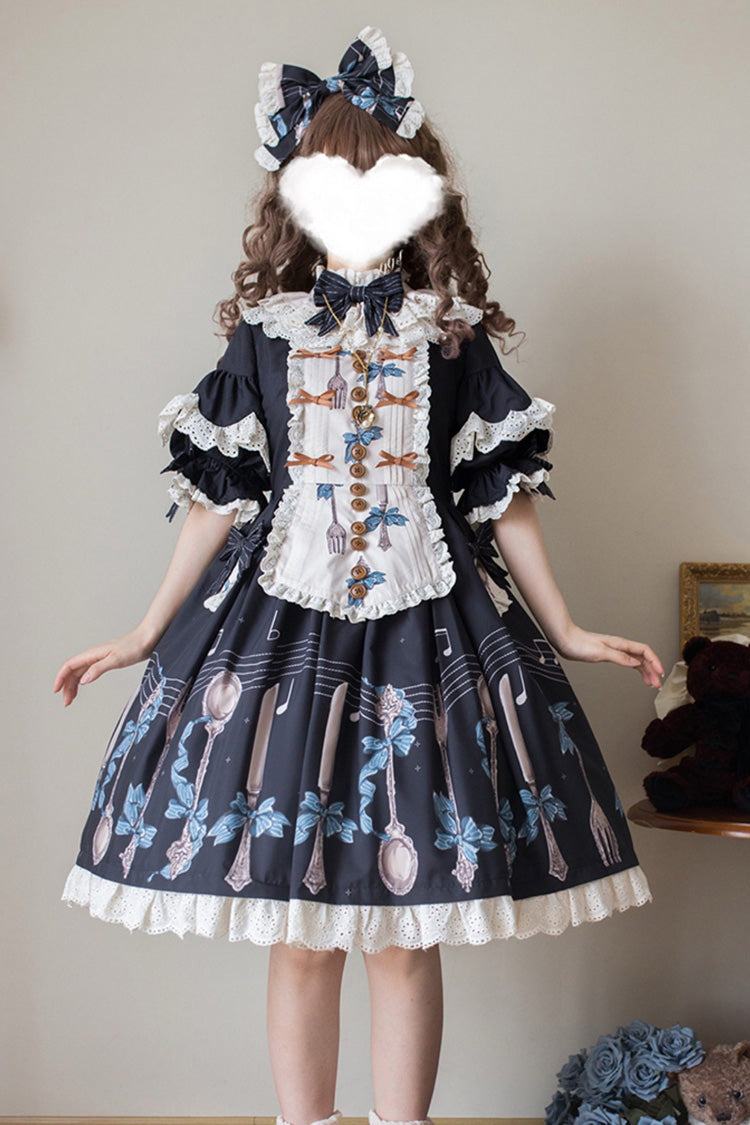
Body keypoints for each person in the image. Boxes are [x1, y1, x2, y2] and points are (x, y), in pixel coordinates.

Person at [54, 26, 664, 1125]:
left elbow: (499, 495)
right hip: (281, 639)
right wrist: (145, 632)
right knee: (300, 933)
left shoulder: (452, 338)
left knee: (404, 930)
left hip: (433, 635)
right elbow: (219, 496)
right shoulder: (265, 335)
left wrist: (569, 628)